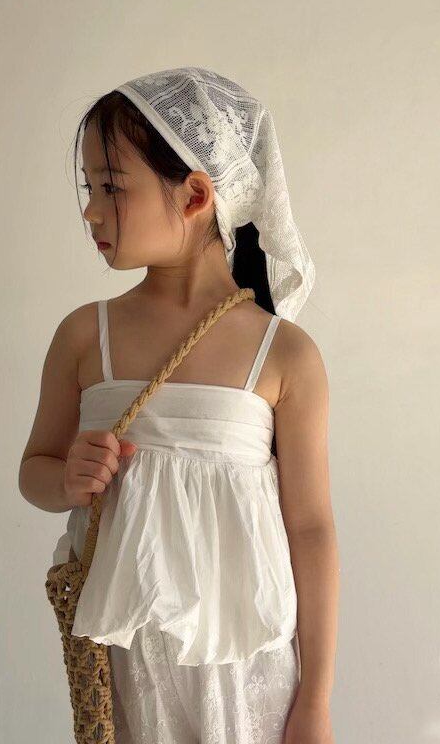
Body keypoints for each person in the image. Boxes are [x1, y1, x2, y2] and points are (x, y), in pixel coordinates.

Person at [19, 68, 338, 743]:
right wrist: (67, 478)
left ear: (195, 194)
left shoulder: (284, 354)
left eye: (111, 187)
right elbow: (35, 472)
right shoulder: (86, 336)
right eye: (89, 188)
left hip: (252, 676)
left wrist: (315, 700)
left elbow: (310, 528)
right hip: (127, 669)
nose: (91, 211)